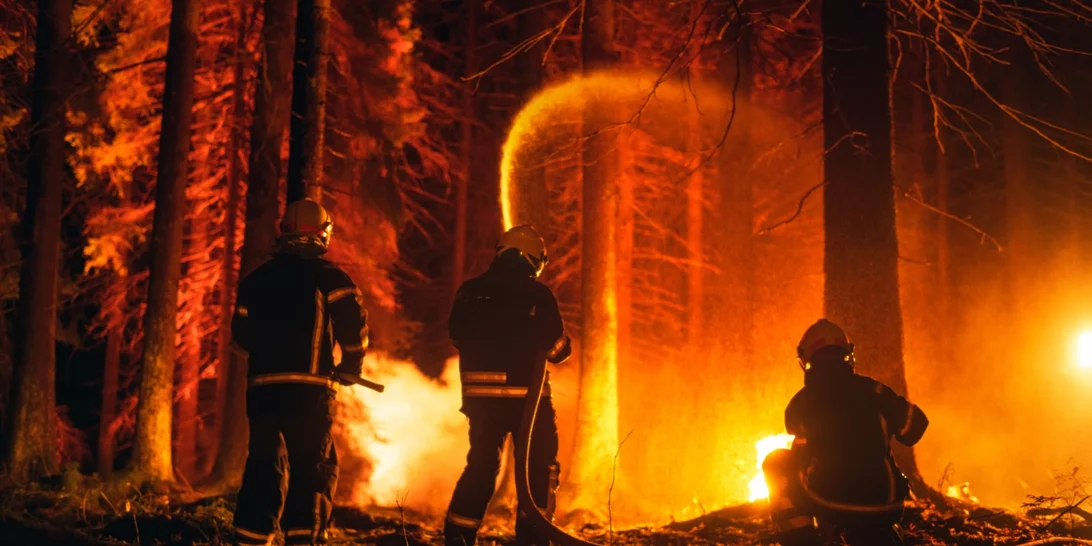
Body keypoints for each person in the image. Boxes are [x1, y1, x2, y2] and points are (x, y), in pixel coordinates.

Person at [230, 198, 370, 546]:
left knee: (264, 467)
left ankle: (251, 539)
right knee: (312, 469)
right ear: (323, 234)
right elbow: (355, 329)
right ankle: (304, 540)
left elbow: (241, 336)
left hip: (262, 392)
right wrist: (350, 368)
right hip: (308, 393)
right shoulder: (329, 277)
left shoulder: (255, 281)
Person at [444, 224, 572, 546]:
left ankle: (458, 537)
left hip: (482, 402)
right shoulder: (537, 295)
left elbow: (457, 335)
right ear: (536, 259)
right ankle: (533, 540)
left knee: (482, 468)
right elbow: (556, 351)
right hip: (527, 401)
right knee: (538, 470)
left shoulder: (470, 291)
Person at [762, 319, 929, 546]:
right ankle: (884, 534)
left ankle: (802, 540)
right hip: (885, 506)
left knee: (776, 463)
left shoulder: (801, 403)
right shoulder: (875, 391)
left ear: (806, 359)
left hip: (830, 502)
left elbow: (798, 441)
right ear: (848, 355)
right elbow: (915, 428)